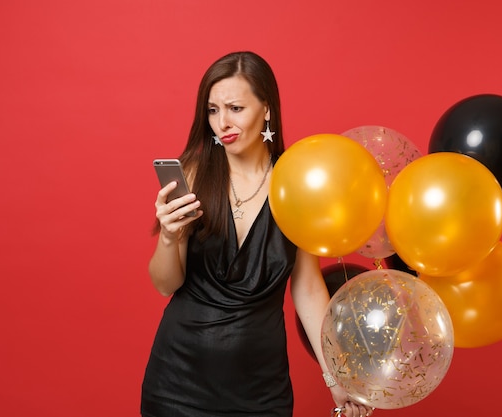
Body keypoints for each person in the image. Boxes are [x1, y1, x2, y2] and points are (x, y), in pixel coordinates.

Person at [141, 51, 374, 417]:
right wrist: (169, 238)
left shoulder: (296, 182)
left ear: (266, 109)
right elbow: (165, 284)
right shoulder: (195, 172)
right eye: (213, 110)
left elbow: (308, 287)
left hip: (260, 390)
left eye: (235, 108)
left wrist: (337, 377)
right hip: (177, 383)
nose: (222, 123)